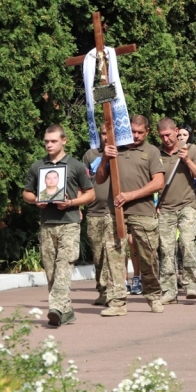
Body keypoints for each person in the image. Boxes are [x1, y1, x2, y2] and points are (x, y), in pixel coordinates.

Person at [23, 124, 95, 326]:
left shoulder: (75, 166)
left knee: (64, 265)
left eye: (53, 141)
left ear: (64, 141)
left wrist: (71, 202)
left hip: (69, 223)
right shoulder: (38, 167)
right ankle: (67, 310)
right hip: (47, 224)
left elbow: (90, 193)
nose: (49, 145)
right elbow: (26, 193)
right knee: (51, 270)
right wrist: (36, 199)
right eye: (46, 141)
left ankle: (55, 307)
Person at [97, 115, 165, 314]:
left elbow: (158, 182)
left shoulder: (151, 151)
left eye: (140, 132)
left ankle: (153, 296)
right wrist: (105, 158)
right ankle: (117, 302)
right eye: (132, 131)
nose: (135, 136)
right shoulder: (115, 150)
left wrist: (130, 195)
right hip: (116, 212)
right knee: (114, 256)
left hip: (142, 212)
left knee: (148, 256)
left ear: (147, 132)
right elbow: (100, 179)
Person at [157, 118, 196, 304]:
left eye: (169, 135)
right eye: (162, 136)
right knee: (166, 249)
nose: (166, 139)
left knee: (187, 243)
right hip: (165, 208)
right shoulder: (157, 154)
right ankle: (169, 290)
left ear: (176, 131)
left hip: (187, 205)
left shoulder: (191, 150)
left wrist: (186, 160)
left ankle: (190, 284)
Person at [82, 123, 123, 307]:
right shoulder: (90, 155)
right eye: (103, 134)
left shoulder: (122, 154)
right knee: (98, 254)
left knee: (113, 253)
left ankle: (115, 291)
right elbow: (81, 183)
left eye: (109, 133)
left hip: (114, 211)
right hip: (94, 211)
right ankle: (102, 290)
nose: (106, 137)